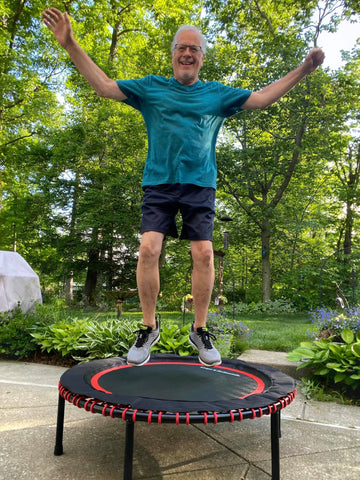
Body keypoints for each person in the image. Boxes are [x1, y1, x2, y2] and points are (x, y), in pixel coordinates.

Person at [42, 7, 325, 367]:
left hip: (199, 185)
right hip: (158, 182)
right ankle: (147, 327)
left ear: (202, 58)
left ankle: (200, 329)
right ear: (173, 54)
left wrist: (304, 69)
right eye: (181, 47)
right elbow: (104, 86)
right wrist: (69, 43)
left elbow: (261, 98)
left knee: (204, 254)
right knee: (148, 248)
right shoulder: (151, 88)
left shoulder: (217, 94)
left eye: (194, 48)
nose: (187, 53)